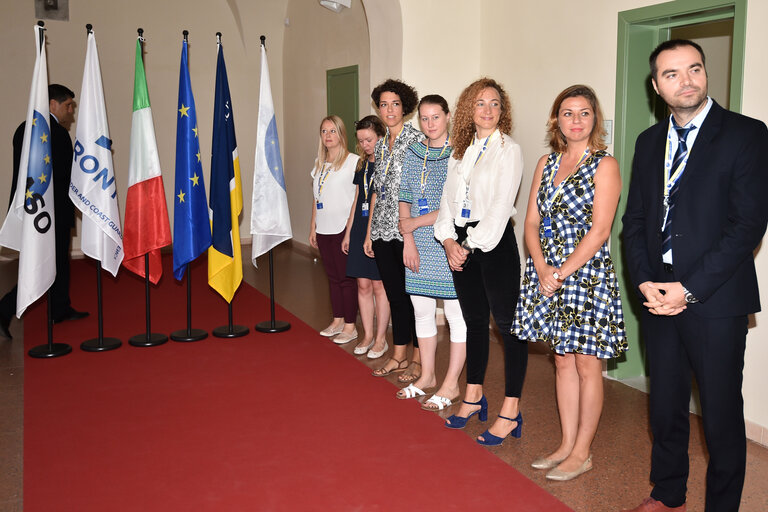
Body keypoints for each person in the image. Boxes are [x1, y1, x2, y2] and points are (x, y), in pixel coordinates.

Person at [621, 40, 768, 512]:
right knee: (665, 407)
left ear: (705, 73)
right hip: (657, 296)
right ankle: (667, 493)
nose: (686, 81)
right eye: (672, 74)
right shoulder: (648, 142)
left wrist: (688, 290)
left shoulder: (746, 134)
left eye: (694, 69)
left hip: (715, 299)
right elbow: (636, 222)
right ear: (656, 85)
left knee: (721, 416)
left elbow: (747, 226)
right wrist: (645, 282)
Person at [513, 85, 627, 481]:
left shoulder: (605, 165)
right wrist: (542, 268)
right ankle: (565, 444)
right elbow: (529, 222)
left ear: (594, 119)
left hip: (586, 276)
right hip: (547, 273)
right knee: (561, 360)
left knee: (587, 364)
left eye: (583, 113)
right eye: (567, 113)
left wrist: (560, 273)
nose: (575, 120)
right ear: (556, 120)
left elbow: (599, 231)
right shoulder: (546, 162)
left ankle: (583, 451)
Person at [434, 78, 527, 445]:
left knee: (508, 327)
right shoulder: (460, 150)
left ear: (502, 112)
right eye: (480, 104)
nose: (488, 110)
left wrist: (467, 245)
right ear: (467, 111)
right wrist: (447, 240)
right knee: (474, 322)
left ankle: (511, 409)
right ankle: (472, 396)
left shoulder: (509, 150)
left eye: (495, 104)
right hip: (460, 242)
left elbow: (502, 207)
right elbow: (446, 202)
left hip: (493, 243)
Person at [0, 84, 88, 339]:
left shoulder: (24, 128)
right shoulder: (56, 134)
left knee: (57, 262)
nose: (71, 111)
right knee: (45, 264)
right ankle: (5, 308)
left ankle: (59, 308)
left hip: (32, 209)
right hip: (53, 212)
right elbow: (66, 176)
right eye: (68, 105)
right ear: (52, 104)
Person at [396, 95, 467, 409]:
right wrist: (407, 236)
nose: (429, 124)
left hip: (448, 240)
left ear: (448, 116)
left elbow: (451, 205)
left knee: (455, 316)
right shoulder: (415, 151)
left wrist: (411, 224)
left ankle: (451, 385)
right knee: (422, 311)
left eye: (435, 117)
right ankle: (426, 377)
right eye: (424, 119)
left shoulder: (461, 153)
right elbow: (405, 194)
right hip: (418, 243)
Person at [363, 79, 423, 381]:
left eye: (395, 104)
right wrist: (370, 232)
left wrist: (411, 236)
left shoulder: (416, 140)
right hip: (383, 230)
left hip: (407, 232)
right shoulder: (382, 141)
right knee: (395, 295)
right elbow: (377, 188)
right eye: (383, 104)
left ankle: (418, 359)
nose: (389, 109)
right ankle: (398, 353)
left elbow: (417, 189)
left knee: (414, 298)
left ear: (406, 108)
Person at [342, 115, 390, 359]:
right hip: (361, 226)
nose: (365, 145)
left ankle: (381, 339)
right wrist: (349, 232)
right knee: (362, 284)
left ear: (381, 137)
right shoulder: (361, 165)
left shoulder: (387, 164)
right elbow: (357, 199)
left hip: (379, 228)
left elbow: (376, 201)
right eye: (361, 141)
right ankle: (368, 334)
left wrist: (370, 234)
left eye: (369, 139)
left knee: (379, 285)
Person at [309, 115, 359, 344]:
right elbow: (316, 197)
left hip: (342, 228)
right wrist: (313, 226)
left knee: (346, 279)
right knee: (332, 278)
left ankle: (350, 325)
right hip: (324, 228)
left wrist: (349, 231)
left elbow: (357, 200)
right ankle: (337, 319)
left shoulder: (353, 162)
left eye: (333, 131)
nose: (328, 136)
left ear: (341, 134)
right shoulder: (320, 164)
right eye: (324, 131)